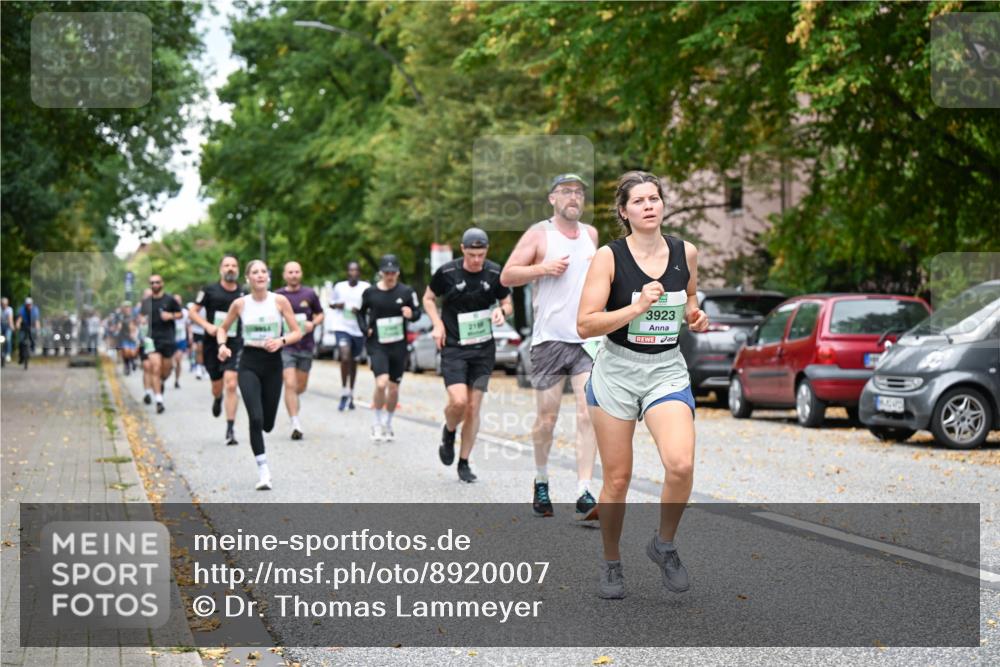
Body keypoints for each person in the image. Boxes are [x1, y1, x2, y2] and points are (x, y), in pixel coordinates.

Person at [577, 171, 709, 599]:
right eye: (639, 201)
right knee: (618, 479)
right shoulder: (609, 257)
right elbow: (585, 324)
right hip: (616, 369)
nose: (649, 205)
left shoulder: (684, 252)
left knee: (681, 464)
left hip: (666, 368)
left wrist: (695, 315)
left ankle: (663, 544)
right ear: (624, 211)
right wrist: (634, 308)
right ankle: (611, 563)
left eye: (655, 198)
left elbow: (689, 296)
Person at [501, 173, 600, 521]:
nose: (574, 197)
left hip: (586, 338)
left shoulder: (591, 235)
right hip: (549, 339)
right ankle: (541, 479)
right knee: (548, 417)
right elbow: (507, 275)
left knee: (589, 413)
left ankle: (584, 490)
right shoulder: (539, 234)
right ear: (552, 199)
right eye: (566, 192)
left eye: (579, 192)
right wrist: (543, 268)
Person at [423, 228, 513, 483]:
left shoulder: (495, 273)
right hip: (454, 347)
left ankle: (463, 462)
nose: (476, 260)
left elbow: (507, 302)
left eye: (481, 254)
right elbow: (429, 298)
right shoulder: (447, 273)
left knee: (473, 408)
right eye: (472, 254)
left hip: (484, 350)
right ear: (462, 250)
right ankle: (449, 431)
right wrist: (437, 324)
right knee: (459, 402)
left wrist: (502, 312)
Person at [216, 259, 302, 490]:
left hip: (273, 364)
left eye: (263, 271)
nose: (260, 275)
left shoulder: (280, 301)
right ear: (248, 278)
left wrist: (281, 341)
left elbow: (296, 332)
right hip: (249, 363)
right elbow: (223, 328)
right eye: (255, 272)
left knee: (267, 424)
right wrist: (222, 345)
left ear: (269, 276)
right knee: (255, 418)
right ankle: (263, 471)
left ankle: (265, 431)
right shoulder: (240, 304)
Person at [359, 254, 422, 442]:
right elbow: (360, 314)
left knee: (393, 388)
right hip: (378, 344)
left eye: (393, 272)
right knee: (381, 383)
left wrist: (411, 314)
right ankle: (377, 421)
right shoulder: (370, 293)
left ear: (398, 273)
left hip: (398, 345)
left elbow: (417, 313)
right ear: (381, 273)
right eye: (387, 272)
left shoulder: (407, 292)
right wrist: (365, 329)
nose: (390, 276)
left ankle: (388, 422)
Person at [189, 255, 245, 446]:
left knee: (231, 383)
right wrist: (207, 326)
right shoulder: (209, 290)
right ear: (220, 269)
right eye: (227, 265)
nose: (230, 268)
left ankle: (230, 429)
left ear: (238, 269)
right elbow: (192, 312)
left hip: (235, 343)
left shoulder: (243, 293)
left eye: (234, 265)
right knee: (217, 384)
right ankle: (217, 397)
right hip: (212, 342)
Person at [275, 261, 324, 440]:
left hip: (305, 346)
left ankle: (293, 404)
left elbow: (320, 313)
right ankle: (295, 422)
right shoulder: (278, 296)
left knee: (299, 387)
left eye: (297, 271)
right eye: (290, 272)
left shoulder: (309, 294)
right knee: (289, 383)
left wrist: (314, 323)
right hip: (286, 346)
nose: (294, 275)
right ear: (284, 275)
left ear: (301, 274)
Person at [329, 261, 370, 410]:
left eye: (356, 270)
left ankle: (351, 393)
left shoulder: (366, 287)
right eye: (350, 270)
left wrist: (359, 310)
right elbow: (331, 303)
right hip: (342, 326)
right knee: (345, 356)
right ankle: (343, 391)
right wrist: (337, 305)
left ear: (359, 273)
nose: (353, 273)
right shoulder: (339, 286)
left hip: (358, 329)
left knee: (353, 361)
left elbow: (370, 305)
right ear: (347, 272)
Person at [139, 275, 183, 413]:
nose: (155, 284)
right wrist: (142, 320)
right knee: (155, 367)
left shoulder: (170, 300)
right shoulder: (146, 302)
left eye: (157, 282)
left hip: (168, 339)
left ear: (162, 283)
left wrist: (170, 316)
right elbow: (141, 315)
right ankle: (159, 400)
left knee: (166, 370)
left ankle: (162, 382)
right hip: (151, 339)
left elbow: (181, 314)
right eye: (152, 282)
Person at [15, 297, 40, 369]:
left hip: (31, 326)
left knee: (33, 338)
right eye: (27, 305)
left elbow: (37, 321)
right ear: (25, 305)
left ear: (32, 304)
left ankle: (32, 349)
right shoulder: (22, 309)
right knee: (20, 341)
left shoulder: (35, 310)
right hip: (23, 326)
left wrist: (37, 329)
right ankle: (21, 356)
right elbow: (19, 319)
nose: (29, 306)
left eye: (30, 304)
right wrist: (17, 325)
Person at [188, 301, 205, 379]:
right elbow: (190, 317)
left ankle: (204, 367)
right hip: (198, 331)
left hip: (210, 330)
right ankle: (199, 367)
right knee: (199, 349)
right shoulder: (195, 306)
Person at [2, 297, 14, 363]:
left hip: (8, 326)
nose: (4, 305)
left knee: (8, 339)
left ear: (7, 304)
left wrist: (12, 326)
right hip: (1, 326)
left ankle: (8, 354)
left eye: (5, 304)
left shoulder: (9, 309)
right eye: (2, 304)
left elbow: (10, 319)